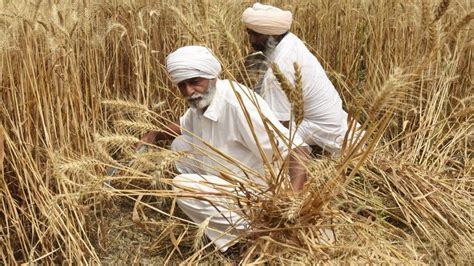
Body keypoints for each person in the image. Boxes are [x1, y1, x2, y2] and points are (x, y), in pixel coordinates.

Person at [139, 45, 309, 251]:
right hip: (230, 173)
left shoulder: (239, 106)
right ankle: (225, 211)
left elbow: (296, 148)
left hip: (261, 189)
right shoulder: (204, 100)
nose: (188, 92)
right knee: (179, 146)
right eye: (181, 85)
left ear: (212, 76)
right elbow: (183, 126)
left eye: (194, 82)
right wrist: (154, 134)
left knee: (182, 187)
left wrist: (291, 199)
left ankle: (251, 233)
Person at [242, 3, 353, 155]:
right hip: (332, 120)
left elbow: (280, 125)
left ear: (273, 34)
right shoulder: (290, 40)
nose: (252, 40)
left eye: (257, 35)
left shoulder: (279, 69)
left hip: (322, 130)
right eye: (250, 33)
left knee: (253, 131)